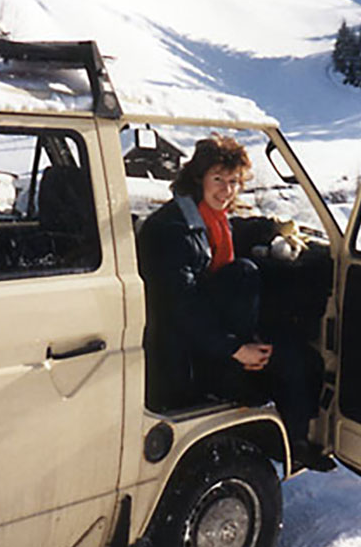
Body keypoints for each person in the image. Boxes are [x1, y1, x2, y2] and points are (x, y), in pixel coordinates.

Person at [136, 134, 334, 471]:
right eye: (218, 180)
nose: (226, 191)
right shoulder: (172, 229)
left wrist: (274, 227)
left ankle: (296, 443)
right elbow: (180, 309)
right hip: (187, 353)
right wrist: (237, 348)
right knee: (244, 273)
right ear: (198, 178)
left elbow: (235, 229)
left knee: (302, 358)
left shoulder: (208, 218)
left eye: (233, 182)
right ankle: (234, 382)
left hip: (218, 334)